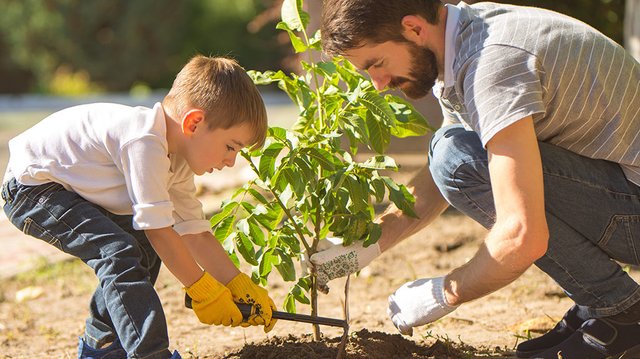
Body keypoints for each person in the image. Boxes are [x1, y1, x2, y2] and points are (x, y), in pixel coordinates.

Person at [311, 1, 640, 358]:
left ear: (414, 28)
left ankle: (621, 313)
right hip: (624, 191)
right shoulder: (463, 36)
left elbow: (522, 234)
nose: (377, 84)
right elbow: (444, 171)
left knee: (456, 156)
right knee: (450, 150)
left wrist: (446, 292)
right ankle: (606, 304)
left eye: (377, 63)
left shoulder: (492, 64)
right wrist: (367, 245)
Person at [1, 55, 277, 359]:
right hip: (32, 188)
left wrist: (236, 283)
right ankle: (150, 354)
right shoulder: (144, 140)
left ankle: (102, 346)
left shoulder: (179, 158)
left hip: (69, 191)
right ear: (195, 122)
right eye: (230, 146)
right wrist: (202, 290)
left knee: (141, 248)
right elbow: (159, 229)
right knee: (118, 251)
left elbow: (193, 233)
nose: (231, 161)